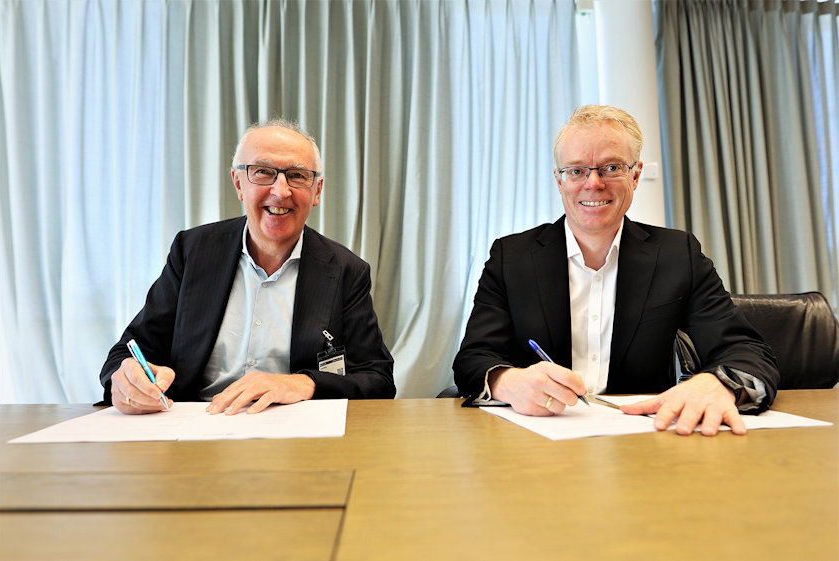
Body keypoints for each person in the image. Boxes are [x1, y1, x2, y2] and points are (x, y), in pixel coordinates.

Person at [453, 105, 779, 436]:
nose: (593, 184)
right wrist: (508, 382)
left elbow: (747, 352)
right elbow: (473, 359)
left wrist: (717, 384)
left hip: (645, 441)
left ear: (635, 176)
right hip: (537, 440)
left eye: (611, 168)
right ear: (559, 180)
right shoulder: (512, 257)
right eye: (576, 171)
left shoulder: (677, 255)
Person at [100, 119, 395, 414]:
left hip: (295, 436)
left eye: (297, 175)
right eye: (263, 172)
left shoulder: (346, 271)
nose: (281, 191)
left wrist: (305, 384)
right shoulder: (192, 252)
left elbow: (378, 380)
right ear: (238, 183)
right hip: (195, 430)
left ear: (317, 191)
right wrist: (127, 378)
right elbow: (127, 352)